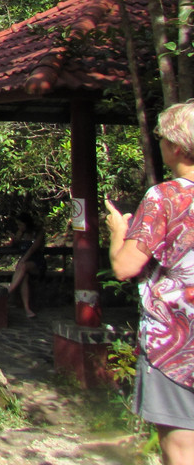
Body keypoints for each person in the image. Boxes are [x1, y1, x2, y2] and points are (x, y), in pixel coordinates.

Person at [106, 101, 194, 465]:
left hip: (175, 345)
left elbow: (126, 266)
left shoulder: (165, 198)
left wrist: (118, 233)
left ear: (175, 146)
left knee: (181, 450)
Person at [6, 212, 46, 318]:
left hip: (36, 262)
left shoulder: (38, 232)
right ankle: (27, 309)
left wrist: (22, 260)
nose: (19, 227)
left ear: (26, 223)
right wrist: (14, 239)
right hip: (24, 264)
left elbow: (33, 249)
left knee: (22, 267)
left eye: (20, 224)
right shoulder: (21, 232)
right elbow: (16, 243)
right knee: (24, 277)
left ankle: (8, 292)